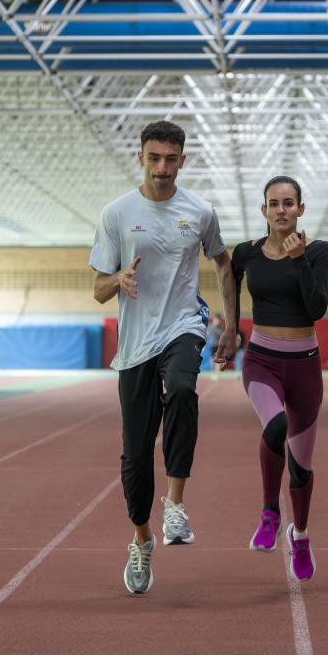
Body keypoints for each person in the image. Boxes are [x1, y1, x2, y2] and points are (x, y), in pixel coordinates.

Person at [89, 120, 237, 595]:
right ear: (140, 158)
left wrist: (232, 324)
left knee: (182, 388)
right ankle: (141, 537)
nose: (162, 167)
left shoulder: (199, 211)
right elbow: (97, 289)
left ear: (183, 160)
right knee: (134, 459)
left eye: (171, 159)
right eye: (154, 158)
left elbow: (223, 261)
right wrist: (119, 282)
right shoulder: (116, 213)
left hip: (182, 326)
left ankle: (175, 506)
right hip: (135, 345)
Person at [231, 176, 328, 581]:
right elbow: (228, 281)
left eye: (289, 203)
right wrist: (228, 329)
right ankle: (270, 513)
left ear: (301, 209)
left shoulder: (319, 251)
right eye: (274, 203)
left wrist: (299, 259)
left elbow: (318, 308)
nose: (282, 210)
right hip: (262, 361)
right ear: (264, 211)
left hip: (305, 365)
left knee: (302, 467)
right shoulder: (247, 254)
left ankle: (301, 534)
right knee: (275, 425)